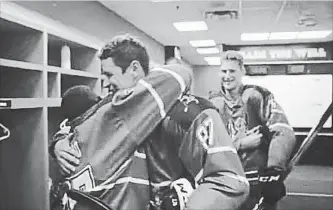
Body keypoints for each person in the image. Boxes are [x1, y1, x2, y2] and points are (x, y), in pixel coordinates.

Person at [50, 34, 249, 210]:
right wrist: (57, 143)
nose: (104, 82)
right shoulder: (108, 108)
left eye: (109, 74)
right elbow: (73, 126)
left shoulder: (186, 113)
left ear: (134, 69)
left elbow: (230, 181)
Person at [209, 50, 296, 210]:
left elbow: (283, 131)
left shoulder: (257, 96)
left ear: (242, 71)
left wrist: (273, 170)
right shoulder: (212, 104)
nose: (227, 75)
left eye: (232, 71)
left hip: (257, 182)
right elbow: (205, 146)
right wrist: (240, 144)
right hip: (225, 181)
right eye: (224, 71)